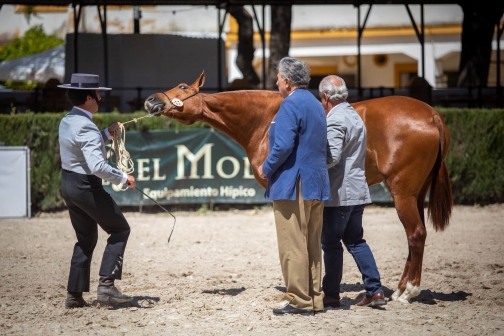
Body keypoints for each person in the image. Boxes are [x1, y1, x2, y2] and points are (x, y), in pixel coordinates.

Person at [258, 57, 331, 316]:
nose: (276, 81)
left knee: (292, 244)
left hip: (294, 183)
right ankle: (314, 298)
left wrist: (264, 168)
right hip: (317, 182)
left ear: (287, 82)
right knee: (311, 243)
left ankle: (299, 300)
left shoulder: (289, 105)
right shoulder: (315, 103)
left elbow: (283, 146)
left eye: (278, 77)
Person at [58, 73, 136, 309]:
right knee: (120, 229)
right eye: (99, 94)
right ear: (89, 97)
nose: (101, 97)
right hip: (86, 187)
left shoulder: (68, 120)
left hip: (69, 185)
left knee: (86, 239)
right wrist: (124, 178)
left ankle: (74, 295)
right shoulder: (87, 127)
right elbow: (98, 167)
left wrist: (105, 134)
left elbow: (81, 146)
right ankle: (106, 285)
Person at [318, 75, 386, 308]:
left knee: (331, 243)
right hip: (358, 189)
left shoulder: (335, 119)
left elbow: (332, 157)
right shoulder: (354, 115)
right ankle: (375, 291)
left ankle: (331, 294)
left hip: (340, 193)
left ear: (325, 97)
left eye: (320, 98)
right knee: (356, 241)